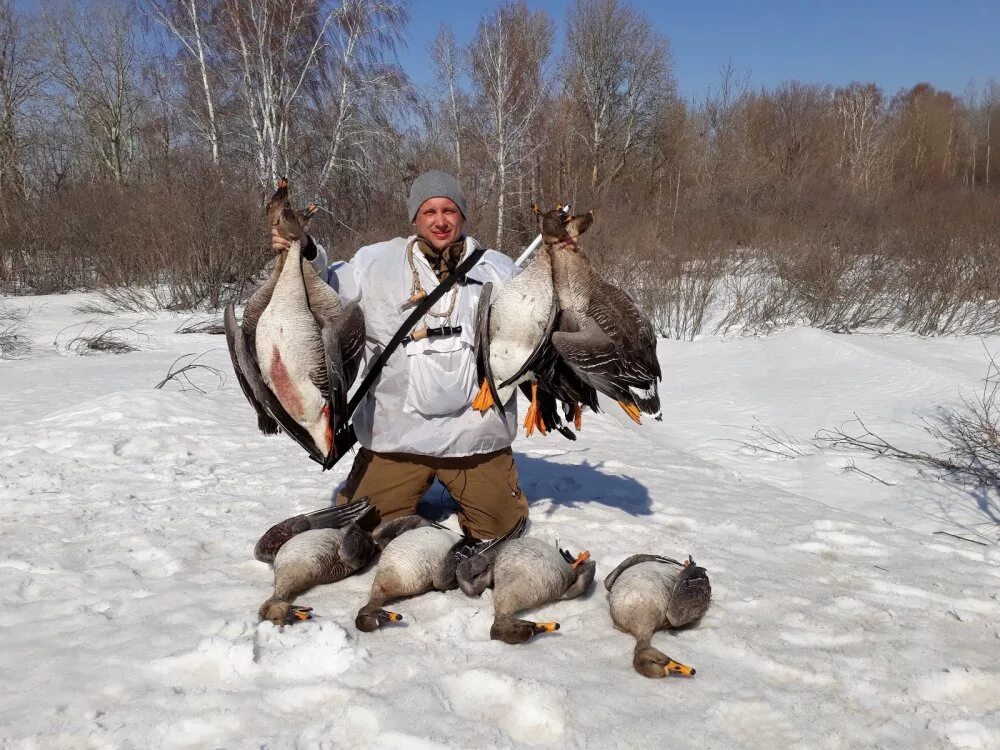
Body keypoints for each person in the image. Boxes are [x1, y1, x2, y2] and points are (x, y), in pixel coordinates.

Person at [271, 170, 528, 540]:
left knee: (502, 533)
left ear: (462, 215)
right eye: (429, 211)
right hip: (397, 435)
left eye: (449, 210)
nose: (440, 221)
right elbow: (325, 285)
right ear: (414, 217)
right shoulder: (375, 262)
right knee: (359, 532)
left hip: (475, 434)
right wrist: (305, 248)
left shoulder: (499, 269)